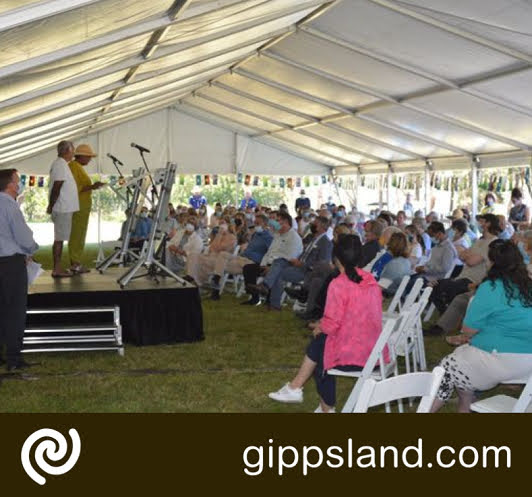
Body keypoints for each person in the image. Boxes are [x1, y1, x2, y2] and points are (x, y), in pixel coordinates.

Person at [268, 235, 384, 413]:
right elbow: (352, 316)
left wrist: (321, 327)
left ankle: (318, 403)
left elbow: (332, 324)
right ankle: (303, 394)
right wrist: (323, 326)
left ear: (336, 258)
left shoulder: (339, 284)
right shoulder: (370, 281)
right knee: (321, 345)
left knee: (321, 352)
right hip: (374, 349)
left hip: (358, 355)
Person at [431, 241, 532, 413]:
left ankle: (425, 410)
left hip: (501, 359)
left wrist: (469, 334)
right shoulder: (528, 285)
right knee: (461, 356)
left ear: (493, 263)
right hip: (527, 361)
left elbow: (469, 329)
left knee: (446, 367)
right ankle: (465, 406)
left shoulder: (491, 287)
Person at [425, 213, 501, 335]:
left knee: (445, 289)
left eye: (481, 221)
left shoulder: (492, 243)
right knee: (433, 285)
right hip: (462, 277)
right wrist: (467, 255)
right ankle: (445, 316)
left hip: (473, 280)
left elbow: (470, 260)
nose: (478, 224)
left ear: (488, 224)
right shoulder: (479, 240)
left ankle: (443, 325)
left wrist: (467, 255)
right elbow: (462, 255)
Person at [0, 169, 39, 371]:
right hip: (10, 263)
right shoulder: (10, 206)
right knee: (15, 310)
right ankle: (13, 358)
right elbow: (23, 237)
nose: (19, 184)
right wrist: (31, 249)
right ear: (10, 185)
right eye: (17, 181)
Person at [249, 216, 333, 310]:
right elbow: (304, 254)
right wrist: (297, 261)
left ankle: (271, 299)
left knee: (279, 273)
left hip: (306, 272)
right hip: (297, 265)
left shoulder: (326, 243)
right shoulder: (312, 238)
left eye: (315, 223)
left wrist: (301, 264)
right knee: (279, 261)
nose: (311, 224)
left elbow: (321, 264)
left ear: (321, 227)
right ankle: (267, 289)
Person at [242, 211, 303, 306]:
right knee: (248, 268)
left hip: (283, 266)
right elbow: (269, 252)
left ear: (286, 222)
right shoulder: (278, 235)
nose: (274, 223)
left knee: (276, 268)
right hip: (269, 264)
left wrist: (271, 267)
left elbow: (290, 257)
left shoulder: (294, 237)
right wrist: (264, 265)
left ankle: (267, 295)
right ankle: (255, 298)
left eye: (277, 221)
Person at [209, 214, 273, 301]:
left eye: (258, 223)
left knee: (220, 265)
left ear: (265, 224)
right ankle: (216, 282)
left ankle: (215, 289)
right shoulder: (256, 234)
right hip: (241, 259)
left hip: (251, 262)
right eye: (255, 223)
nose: (255, 225)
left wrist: (267, 264)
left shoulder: (269, 237)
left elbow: (271, 252)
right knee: (223, 255)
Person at [68, 144, 105, 273]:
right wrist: (93, 186)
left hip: (82, 206)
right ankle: (75, 263)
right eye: (88, 157)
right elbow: (75, 188)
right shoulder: (73, 167)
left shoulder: (78, 167)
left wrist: (93, 186)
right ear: (81, 156)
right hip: (77, 206)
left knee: (80, 234)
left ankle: (76, 262)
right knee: (77, 235)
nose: (90, 160)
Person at [47, 140, 79, 278]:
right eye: (73, 150)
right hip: (62, 208)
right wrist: (51, 205)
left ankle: (58, 268)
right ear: (66, 151)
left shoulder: (63, 164)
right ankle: (57, 269)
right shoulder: (60, 164)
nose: (74, 153)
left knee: (60, 238)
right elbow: (57, 186)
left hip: (64, 207)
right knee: (59, 239)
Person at [186, 216, 236, 285]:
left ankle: (207, 281)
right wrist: (219, 235)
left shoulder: (232, 237)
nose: (221, 225)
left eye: (223, 223)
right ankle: (190, 276)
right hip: (211, 255)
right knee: (193, 255)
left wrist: (220, 235)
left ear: (228, 225)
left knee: (204, 260)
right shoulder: (218, 235)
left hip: (220, 259)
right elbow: (212, 247)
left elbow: (219, 248)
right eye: (220, 223)